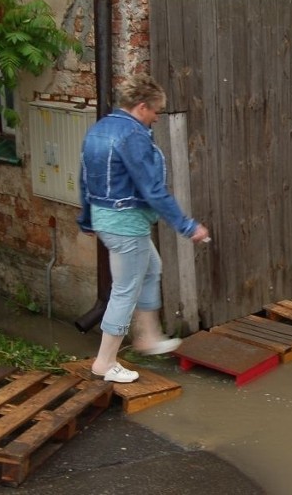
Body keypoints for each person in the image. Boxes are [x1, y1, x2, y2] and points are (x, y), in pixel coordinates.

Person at [77, 74, 209, 383]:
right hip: (125, 223)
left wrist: (86, 219)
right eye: (155, 112)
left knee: (152, 267)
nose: (156, 119)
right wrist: (187, 225)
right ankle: (104, 363)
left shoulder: (101, 128)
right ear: (141, 107)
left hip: (107, 218)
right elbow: (152, 188)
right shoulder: (132, 135)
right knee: (125, 290)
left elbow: (84, 178)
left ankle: (148, 336)